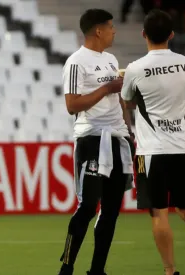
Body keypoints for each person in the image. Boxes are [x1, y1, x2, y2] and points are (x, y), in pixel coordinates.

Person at [58, 9, 135, 275]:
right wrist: (106, 88)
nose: (115, 31)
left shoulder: (112, 59)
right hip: (91, 138)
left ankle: (97, 270)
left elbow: (120, 99)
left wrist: (128, 128)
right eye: (111, 27)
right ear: (98, 30)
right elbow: (71, 105)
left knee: (112, 209)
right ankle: (67, 266)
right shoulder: (76, 62)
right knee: (89, 205)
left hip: (117, 139)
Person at [120, 9, 185, 275]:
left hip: (151, 151)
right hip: (182, 148)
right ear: (172, 35)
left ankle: (170, 270)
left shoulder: (136, 68)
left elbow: (127, 99)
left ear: (143, 34)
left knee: (159, 212)